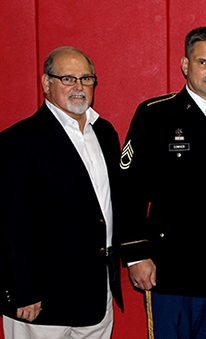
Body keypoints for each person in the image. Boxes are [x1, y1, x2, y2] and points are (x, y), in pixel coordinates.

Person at [119, 26, 206, 339]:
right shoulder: (156, 115)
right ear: (185, 65)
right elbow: (128, 191)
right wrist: (136, 254)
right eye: (202, 62)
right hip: (173, 268)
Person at [0, 46, 123, 339]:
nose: (79, 87)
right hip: (41, 300)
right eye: (68, 79)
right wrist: (22, 290)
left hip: (96, 294)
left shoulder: (105, 133)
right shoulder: (18, 142)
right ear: (46, 83)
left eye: (86, 79)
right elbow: (9, 225)